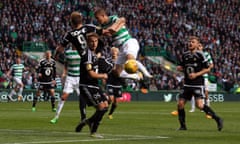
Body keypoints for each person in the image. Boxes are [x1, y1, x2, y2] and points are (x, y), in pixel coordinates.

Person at [176, 36, 223, 131]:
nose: (190, 43)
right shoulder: (185, 55)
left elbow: (207, 69)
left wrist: (196, 74)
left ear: (197, 44)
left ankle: (217, 119)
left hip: (197, 83)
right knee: (180, 104)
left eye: (193, 42)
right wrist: (180, 68)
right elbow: (182, 66)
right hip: (187, 84)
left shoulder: (200, 55)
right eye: (189, 41)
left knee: (200, 105)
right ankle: (183, 126)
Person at [94, 8, 152, 81]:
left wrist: (110, 30)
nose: (97, 20)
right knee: (117, 73)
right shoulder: (102, 26)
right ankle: (137, 76)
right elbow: (108, 33)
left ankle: (146, 73)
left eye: (97, 18)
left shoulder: (113, 18)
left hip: (128, 42)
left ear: (103, 15)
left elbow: (116, 27)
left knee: (130, 60)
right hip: (120, 49)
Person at [75, 32, 109, 138]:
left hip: (95, 86)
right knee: (101, 108)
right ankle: (93, 132)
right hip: (86, 85)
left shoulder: (94, 55)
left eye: (95, 41)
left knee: (105, 106)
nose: (94, 44)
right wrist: (103, 76)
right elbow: (91, 73)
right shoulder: (87, 55)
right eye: (91, 42)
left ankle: (86, 122)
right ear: (87, 43)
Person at [50, 46, 81, 124]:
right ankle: (56, 117)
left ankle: (83, 118)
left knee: (82, 99)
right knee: (63, 97)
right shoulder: (67, 52)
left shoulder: (82, 51)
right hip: (70, 78)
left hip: (79, 78)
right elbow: (66, 64)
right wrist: (64, 72)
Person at [189, 43, 214, 116]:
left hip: (204, 76)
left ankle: (207, 106)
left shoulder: (206, 54)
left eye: (200, 46)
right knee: (193, 92)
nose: (199, 47)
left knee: (205, 93)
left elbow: (211, 64)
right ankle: (193, 108)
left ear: (202, 47)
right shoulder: (194, 54)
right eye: (198, 46)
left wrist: (206, 69)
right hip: (196, 76)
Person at [105, 47, 124, 119]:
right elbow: (105, 70)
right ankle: (103, 108)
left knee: (116, 102)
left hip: (118, 83)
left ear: (118, 52)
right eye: (112, 51)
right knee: (110, 99)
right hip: (110, 81)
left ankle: (110, 114)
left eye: (115, 51)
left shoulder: (121, 61)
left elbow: (122, 71)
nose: (114, 52)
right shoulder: (107, 61)